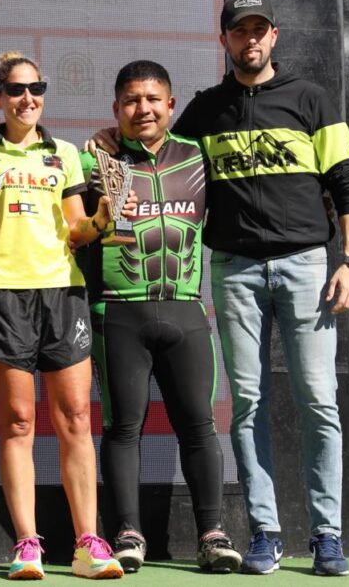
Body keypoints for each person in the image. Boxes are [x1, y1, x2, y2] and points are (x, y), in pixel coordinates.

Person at [136, 0, 349, 576]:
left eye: (260, 29)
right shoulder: (206, 110)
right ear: (226, 40)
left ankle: (327, 535)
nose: (251, 39)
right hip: (235, 269)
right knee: (248, 403)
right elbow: (158, 156)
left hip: (306, 265)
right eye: (241, 30)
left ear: (274, 36)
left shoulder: (310, 99)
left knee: (319, 401)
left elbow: (347, 183)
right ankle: (266, 531)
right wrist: (110, 142)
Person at [78, 60, 242, 574]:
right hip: (117, 311)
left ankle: (212, 535)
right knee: (122, 428)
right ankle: (128, 533)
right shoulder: (92, 161)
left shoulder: (198, 155)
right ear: (116, 108)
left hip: (185, 310)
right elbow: (73, 231)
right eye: (131, 100)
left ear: (170, 105)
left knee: (199, 426)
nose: (142, 109)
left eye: (152, 99)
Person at [0, 51, 124, 581]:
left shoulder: (65, 154)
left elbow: (76, 229)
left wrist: (101, 220)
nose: (27, 98)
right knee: (18, 421)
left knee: (76, 418)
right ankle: (27, 544)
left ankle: (87, 544)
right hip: (3, 292)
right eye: (15, 90)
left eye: (35, 88)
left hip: (63, 291)